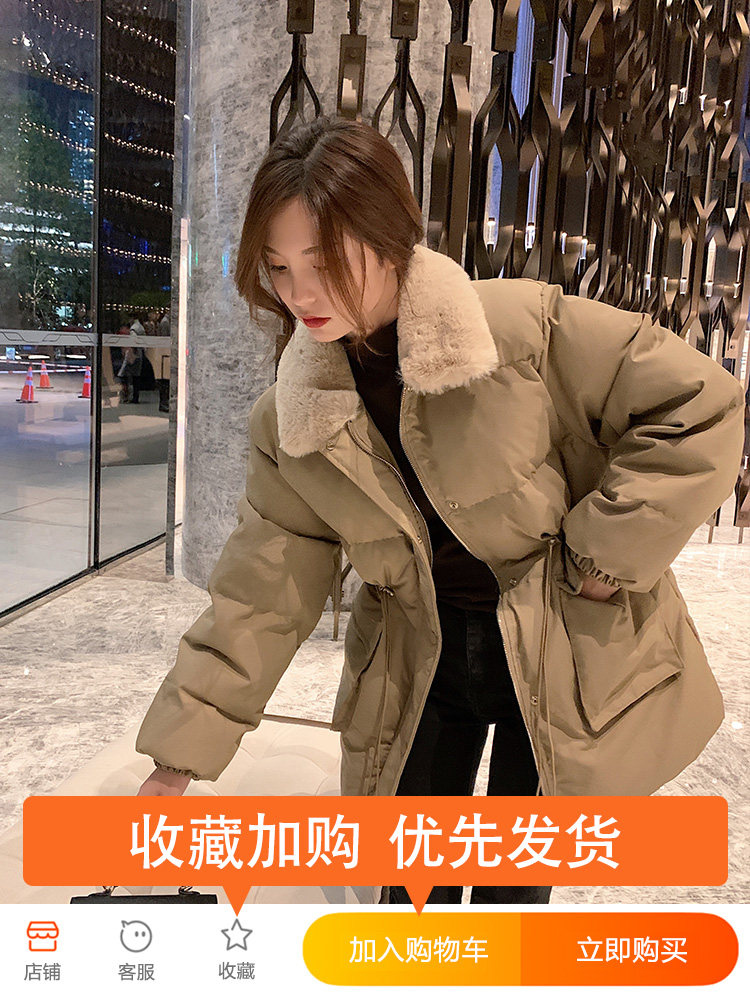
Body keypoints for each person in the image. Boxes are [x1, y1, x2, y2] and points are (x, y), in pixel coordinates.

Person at [134, 116, 746, 905]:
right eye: (278, 267)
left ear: (390, 238)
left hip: (558, 643)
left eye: (323, 262)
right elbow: (263, 590)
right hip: (416, 655)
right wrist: (179, 756)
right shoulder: (293, 418)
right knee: (410, 888)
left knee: (512, 891)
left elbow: (701, 405)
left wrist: (603, 554)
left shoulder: (519, 332)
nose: (300, 293)